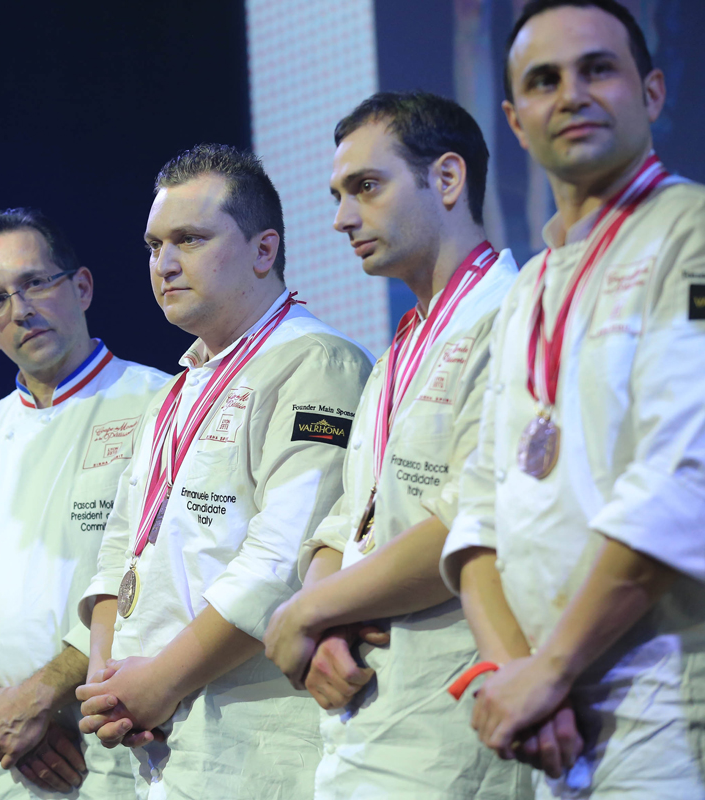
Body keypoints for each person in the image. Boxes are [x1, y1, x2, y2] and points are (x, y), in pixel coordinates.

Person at [438, 0, 705, 796]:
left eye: (598, 69)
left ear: (652, 92)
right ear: (516, 122)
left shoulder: (689, 232)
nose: (572, 94)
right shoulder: (528, 290)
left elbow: (685, 473)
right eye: (545, 81)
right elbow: (480, 502)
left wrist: (550, 666)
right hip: (546, 717)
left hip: (667, 699)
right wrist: (518, 669)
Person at [76, 144, 372, 799]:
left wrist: (154, 686)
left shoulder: (318, 362)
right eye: (153, 246)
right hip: (157, 738)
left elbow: (281, 561)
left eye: (190, 239)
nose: (165, 264)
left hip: (255, 747)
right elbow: (117, 552)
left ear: (264, 250)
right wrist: (110, 686)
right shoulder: (174, 393)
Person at [261, 91, 528, 798]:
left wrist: (307, 612)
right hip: (361, 726)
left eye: (366, 188)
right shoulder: (397, 352)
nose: (342, 218)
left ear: (446, 179)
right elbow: (353, 518)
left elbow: (471, 520)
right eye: (338, 194)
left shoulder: (513, 317)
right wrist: (323, 620)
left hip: (451, 731)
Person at [0, 208, 169, 799]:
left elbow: (160, 574)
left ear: (82, 286)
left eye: (35, 283)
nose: (20, 309)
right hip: (6, 753)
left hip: (122, 739)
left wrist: (43, 695)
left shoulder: (161, 403)